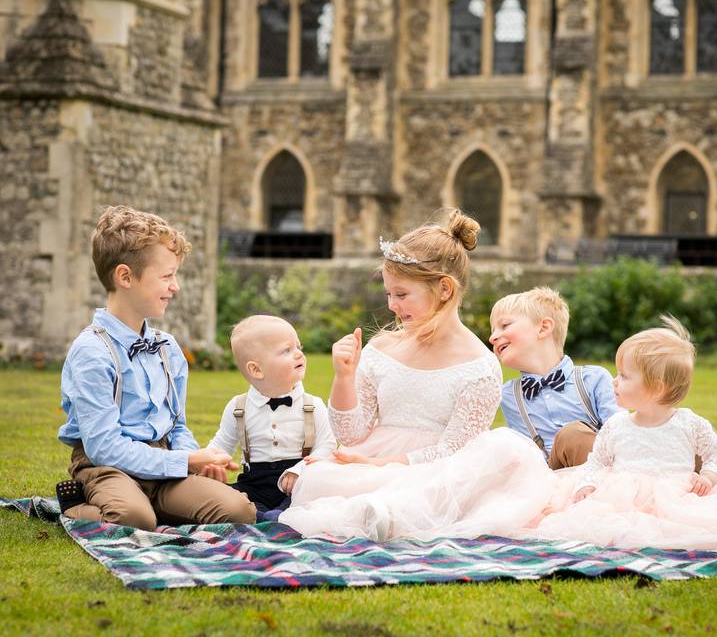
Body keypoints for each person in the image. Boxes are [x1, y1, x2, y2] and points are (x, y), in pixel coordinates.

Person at [279, 209, 553, 541]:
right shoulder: (382, 350)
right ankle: (381, 511)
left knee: (483, 465)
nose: (392, 305)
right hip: (374, 458)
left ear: (444, 289)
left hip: (434, 468)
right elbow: (352, 434)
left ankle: (388, 512)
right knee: (321, 478)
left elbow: (455, 450)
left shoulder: (479, 366)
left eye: (402, 294)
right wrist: (343, 377)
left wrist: (383, 466)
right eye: (388, 294)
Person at [55, 206, 255, 530]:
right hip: (106, 466)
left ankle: (153, 507)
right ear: (125, 277)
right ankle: (77, 506)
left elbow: (177, 426)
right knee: (132, 518)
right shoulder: (91, 352)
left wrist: (192, 462)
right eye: (166, 276)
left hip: (164, 466)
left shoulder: (168, 349)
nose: (175, 286)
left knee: (239, 510)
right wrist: (186, 461)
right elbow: (104, 447)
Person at [522, 316, 717, 551]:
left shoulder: (689, 423)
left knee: (693, 527)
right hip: (621, 496)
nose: (614, 382)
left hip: (674, 496)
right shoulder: (617, 426)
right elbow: (597, 461)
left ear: (657, 388)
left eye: (625, 377)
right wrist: (587, 483)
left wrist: (709, 476)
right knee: (601, 522)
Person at [205, 315, 335, 512]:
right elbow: (221, 445)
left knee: (310, 500)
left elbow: (327, 446)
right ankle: (262, 514)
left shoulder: (313, 405)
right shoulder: (238, 407)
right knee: (227, 501)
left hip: (297, 483)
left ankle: (275, 516)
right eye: (287, 350)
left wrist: (301, 470)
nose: (299, 354)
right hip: (254, 484)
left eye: (299, 347)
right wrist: (210, 463)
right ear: (256, 369)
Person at [489, 287, 621, 469]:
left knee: (572, 435)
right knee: (501, 443)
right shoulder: (509, 395)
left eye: (504, 325)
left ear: (544, 328)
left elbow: (620, 433)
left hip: (599, 471)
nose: (492, 337)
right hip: (547, 478)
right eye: (493, 330)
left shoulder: (593, 378)